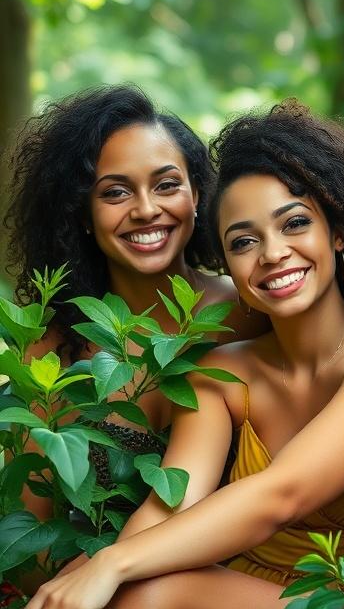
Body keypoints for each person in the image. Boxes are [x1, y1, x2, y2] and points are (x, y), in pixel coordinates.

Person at [26, 102, 344, 609]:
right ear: (226, 263)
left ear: (339, 231)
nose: (273, 253)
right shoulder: (220, 373)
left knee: (144, 588)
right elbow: (169, 505)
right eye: (243, 241)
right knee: (131, 592)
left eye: (295, 224)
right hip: (238, 583)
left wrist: (111, 563)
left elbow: (284, 493)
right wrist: (92, 572)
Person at [4, 85, 263, 519]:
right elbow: (31, 526)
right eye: (116, 192)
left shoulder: (253, 312)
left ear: (197, 195)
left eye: (166, 185)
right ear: (83, 215)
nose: (145, 209)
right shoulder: (54, 348)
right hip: (88, 580)